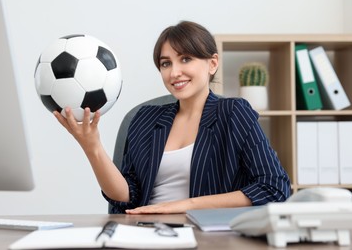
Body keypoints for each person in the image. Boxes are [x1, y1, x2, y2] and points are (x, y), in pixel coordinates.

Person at [54, 21, 291, 214]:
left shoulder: (233, 113)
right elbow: (126, 197)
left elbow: (275, 188)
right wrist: (92, 147)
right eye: (166, 63)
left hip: (207, 236)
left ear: (212, 63)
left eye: (185, 59)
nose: (174, 72)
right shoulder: (145, 119)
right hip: (145, 232)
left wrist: (184, 206)